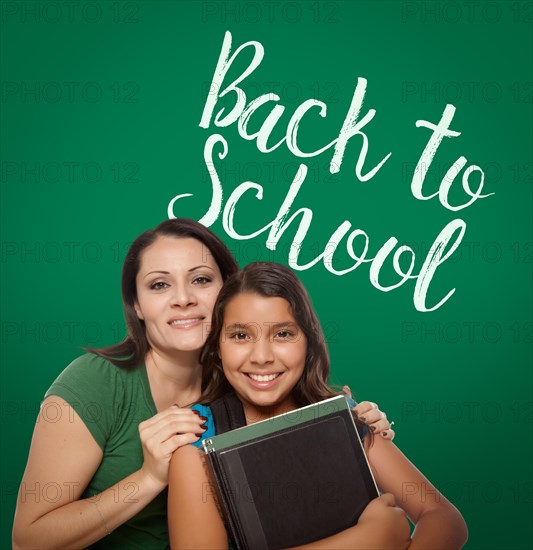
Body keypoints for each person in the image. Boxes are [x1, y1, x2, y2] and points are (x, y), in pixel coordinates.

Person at [12, 219, 394, 549]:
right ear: (137, 305)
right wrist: (148, 478)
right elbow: (29, 540)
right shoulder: (95, 383)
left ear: (228, 292)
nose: (183, 299)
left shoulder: (250, 380)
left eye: (201, 279)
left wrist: (353, 430)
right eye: (159, 285)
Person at [168, 262, 468, 550]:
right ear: (218, 348)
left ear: (308, 343)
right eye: (240, 335)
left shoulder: (343, 419)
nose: (261, 356)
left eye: (283, 334)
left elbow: (444, 519)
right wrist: (366, 542)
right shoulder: (195, 444)